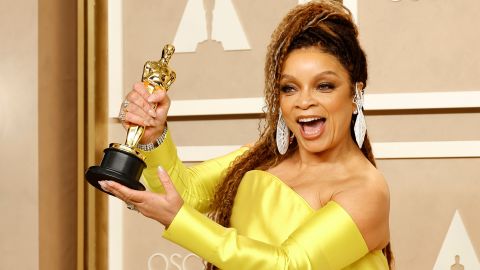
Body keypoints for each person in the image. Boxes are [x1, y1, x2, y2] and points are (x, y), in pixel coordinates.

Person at [100, 1, 394, 269]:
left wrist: (177, 220)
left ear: (356, 93)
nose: (304, 101)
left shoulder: (366, 190)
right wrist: (153, 135)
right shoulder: (260, 158)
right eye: (289, 88)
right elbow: (185, 193)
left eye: (324, 86)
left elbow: (288, 265)